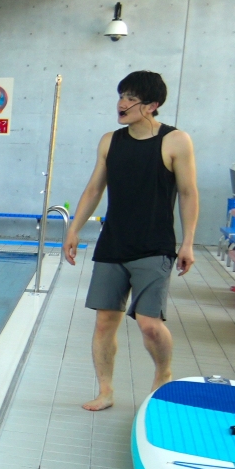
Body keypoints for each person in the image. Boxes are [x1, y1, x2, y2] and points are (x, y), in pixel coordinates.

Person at [61, 70, 200, 411]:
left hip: (155, 245)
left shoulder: (175, 141)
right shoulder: (110, 141)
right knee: (104, 322)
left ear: (152, 105)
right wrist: (73, 229)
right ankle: (106, 391)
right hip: (113, 243)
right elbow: (95, 188)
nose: (122, 104)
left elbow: (188, 192)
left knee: (150, 325)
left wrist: (188, 242)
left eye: (131, 98)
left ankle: (163, 373)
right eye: (121, 96)